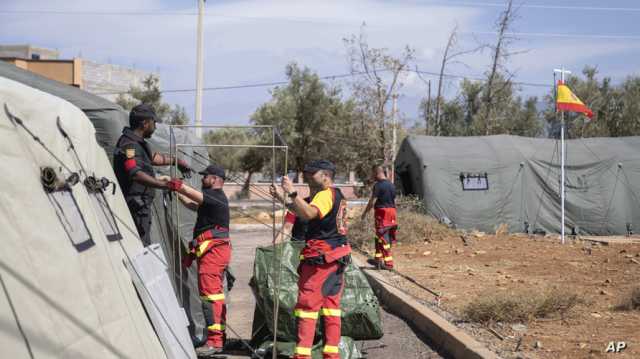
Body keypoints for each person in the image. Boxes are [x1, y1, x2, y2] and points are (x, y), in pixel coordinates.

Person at [276, 160, 351, 359]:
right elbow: (303, 212)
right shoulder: (333, 195)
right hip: (337, 257)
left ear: (325, 176)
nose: (307, 176)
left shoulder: (326, 195)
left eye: (312, 173)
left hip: (322, 260)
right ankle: (331, 355)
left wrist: (292, 192)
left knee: (307, 307)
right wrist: (285, 199)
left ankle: (302, 356)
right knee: (330, 308)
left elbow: (308, 213)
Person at [165, 164, 230, 356]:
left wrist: (173, 183)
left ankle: (215, 342)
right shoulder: (211, 200)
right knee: (214, 296)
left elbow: (192, 194)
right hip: (214, 252)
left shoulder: (216, 196)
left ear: (215, 179)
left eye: (205, 177)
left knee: (210, 297)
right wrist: (176, 193)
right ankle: (220, 337)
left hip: (214, 253)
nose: (202, 179)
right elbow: (192, 202)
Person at [113, 103, 191, 246]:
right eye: (154, 122)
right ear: (145, 123)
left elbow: (153, 158)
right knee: (141, 245)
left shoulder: (138, 143)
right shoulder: (129, 145)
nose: (155, 126)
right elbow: (135, 173)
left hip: (141, 204)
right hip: (136, 205)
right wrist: (165, 184)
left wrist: (176, 161)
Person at [361, 165, 397, 270]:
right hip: (392, 212)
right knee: (380, 237)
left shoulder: (378, 185)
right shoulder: (391, 185)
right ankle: (378, 260)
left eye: (373, 174)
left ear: (377, 173)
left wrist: (365, 213)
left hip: (382, 213)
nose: (372, 176)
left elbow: (372, 201)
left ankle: (388, 263)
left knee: (383, 237)